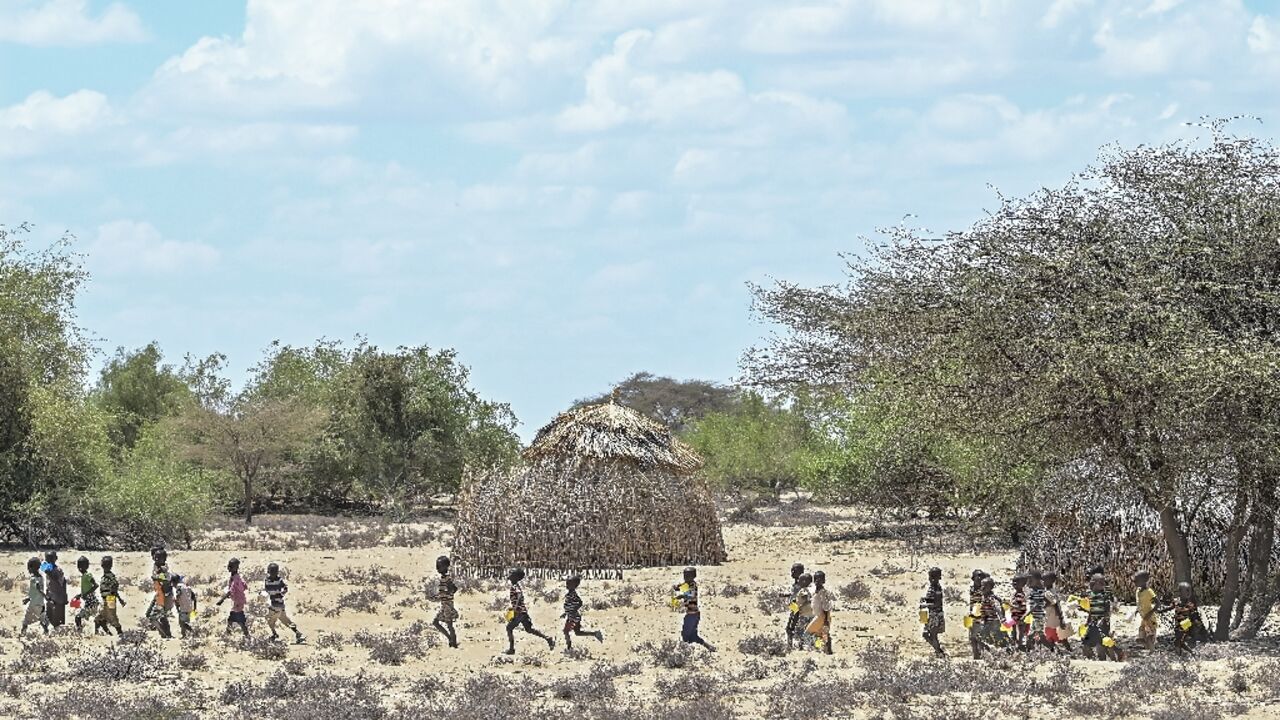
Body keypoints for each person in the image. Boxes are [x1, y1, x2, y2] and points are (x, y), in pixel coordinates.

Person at [504, 568, 554, 655]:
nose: (510, 577)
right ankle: (548, 638)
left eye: (512, 575)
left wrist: (515, 609)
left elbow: (519, 595)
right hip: (523, 611)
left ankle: (511, 649)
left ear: (515, 577)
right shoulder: (517, 586)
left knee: (509, 628)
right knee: (529, 629)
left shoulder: (514, 587)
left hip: (519, 612)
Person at [673, 566, 715, 652]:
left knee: (685, 635)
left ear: (692, 576)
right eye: (684, 575)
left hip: (692, 615)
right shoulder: (687, 584)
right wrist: (676, 587)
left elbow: (691, 595)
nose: (685, 578)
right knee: (693, 636)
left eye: (687, 576)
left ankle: (685, 652)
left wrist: (682, 596)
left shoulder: (693, 585)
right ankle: (709, 647)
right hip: (693, 614)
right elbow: (679, 587)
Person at [1081, 573, 1120, 661]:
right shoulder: (1091, 595)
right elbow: (1091, 610)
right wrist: (1088, 621)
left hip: (1103, 623)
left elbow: (1107, 609)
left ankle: (1113, 659)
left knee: (1102, 644)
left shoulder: (1104, 595)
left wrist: (1103, 619)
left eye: (1102, 583)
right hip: (1093, 623)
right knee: (1086, 643)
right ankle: (1091, 659)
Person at [561, 574, 604, 651]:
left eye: (569, 584)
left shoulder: (572, 594)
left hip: (573, 617)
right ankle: (595, 633)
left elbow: (580, 602)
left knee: (566, 631)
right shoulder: (570, 593)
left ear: (574, 585)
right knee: (577, 633)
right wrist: (566, 613)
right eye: (567, 583)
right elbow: (569, 605)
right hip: (572, 616)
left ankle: (569, 647)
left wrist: (573, 610)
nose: (566, 585)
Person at [264, 562, 305, 644]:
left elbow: (282, 588)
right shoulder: (274, 580)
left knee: (270, 620)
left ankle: (274, 634)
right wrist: (281, 592)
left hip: (275, 605)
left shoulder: (271, 580)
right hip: (280, 605)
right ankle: (298, 634)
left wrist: (281, 593)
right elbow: (283, 588)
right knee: (285, 620)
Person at [216, 557, 250, 638]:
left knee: (239, 618)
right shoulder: (236, 577)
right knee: (231, 618)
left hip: (238, 601)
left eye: (231, 566)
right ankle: (228, 633)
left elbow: (231, 591)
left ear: (236, 568)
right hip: (238, 600)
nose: (229, 567)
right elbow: (244, 586)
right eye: (229, 565)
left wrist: (221, 600)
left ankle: (246, 635)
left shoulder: (235, 579)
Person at [1170, 582, 1205, 656]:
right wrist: (1160, 611)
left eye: (1189, 590)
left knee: (1178, 640)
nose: (1189, 593)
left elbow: (1194, 615)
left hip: (1186, 624)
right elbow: (1170, 607)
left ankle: (1179, 654)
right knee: (1179, 641)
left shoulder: (1190, 605)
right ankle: (1191, 652)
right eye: (1186, 590)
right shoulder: (1176, 602)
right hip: (1178, 623)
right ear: (1180, 592)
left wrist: (1197, 623)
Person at [431, 555, 459, 648]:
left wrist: (447, 595)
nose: (437, 568)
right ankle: (450, 639)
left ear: (445, 567)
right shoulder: (444, 578)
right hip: (444, 604)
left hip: (447, 605)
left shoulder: (446, 578)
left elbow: (453, 589)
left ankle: (453, 642)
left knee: (449, 624)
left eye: (439, 566)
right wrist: (440, 595)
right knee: (436, 622)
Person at [147, 548, 174, 639]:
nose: (156, 559)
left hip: (164, 597)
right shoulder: (158, 567)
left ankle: (165, 635)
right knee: (161, 616)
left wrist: (157, 577)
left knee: (153, 617)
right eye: (155, 557)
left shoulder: (163, 570)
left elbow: (165, 579)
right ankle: (167, 634)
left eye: (159, 557)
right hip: (160, 595)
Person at [919, 567, 945, 657]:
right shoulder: (932, 587)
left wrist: (925, 605)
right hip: (930, 614)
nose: (932, 579)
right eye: (931, 576)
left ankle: (939, 653)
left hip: (936, 615)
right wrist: (925, 599)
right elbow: (932, 599)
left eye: (934, 577)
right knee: (926, 634)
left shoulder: (937, 588)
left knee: (933, 635)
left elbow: (937, 603)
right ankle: (939, 651)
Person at [1043, 571, 1071, 652]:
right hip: (1053, 618)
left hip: (1053, 620)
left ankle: (1061, 652)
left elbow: (1055, 605)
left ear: (1051, 581)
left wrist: (1061, 619)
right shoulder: (1053, 591)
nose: (1043, 582)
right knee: (1059, 638)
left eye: (1044, 580)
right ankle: (1067, 652)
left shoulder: (1048, 593)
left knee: (1053, 637)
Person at [97, 555, 125, 636]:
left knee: (112, 616)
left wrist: (119, 599)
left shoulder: (111, 577)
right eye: (104, 565)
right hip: (105, 598)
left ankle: (120, 632)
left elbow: (115, 587)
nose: (105, 567)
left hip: (110, 598)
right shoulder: (105, 576)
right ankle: (103, 632)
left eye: (107, 565)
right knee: (100, 615)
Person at [72, 556, 100, 633]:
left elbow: (96, 585)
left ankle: (80, 631)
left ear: (87, 566)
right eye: (79, 565)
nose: (80, 568)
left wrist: (86, 594)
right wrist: (80, 595)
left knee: (79, 617)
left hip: (91, 601)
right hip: (89, 601)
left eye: (81, 566)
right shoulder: (84, 576)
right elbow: (87, 589)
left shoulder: (87, 575)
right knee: (90, 616)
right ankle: (94, 631)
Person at [21, 557, 49, 635]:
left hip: (34, 604)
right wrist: (28, 598)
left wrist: (44, 595)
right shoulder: (41, 577)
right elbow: (34, 592)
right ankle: (46, 632)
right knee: (41, 619)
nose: (28, 570)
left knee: (25, 621)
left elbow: (38, 589)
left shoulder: (34, 579)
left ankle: (22, 634)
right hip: (41, 604)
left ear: (32, 568)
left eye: (29, 568)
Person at [808, 570, 833, 655]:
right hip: (818, 615)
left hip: (821, 616)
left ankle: (825, 647)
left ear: (823, 581)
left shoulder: (823, 592)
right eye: (816, 579)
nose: (817, 581)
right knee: (819, 634)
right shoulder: (816, 591)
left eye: (820, 579)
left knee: (808, 633)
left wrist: (826, 621)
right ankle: (821, 649)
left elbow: (826, 607)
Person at [788, 573, 815, 651]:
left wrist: (792, 604)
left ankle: (801, 645)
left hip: (804, 615)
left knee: (800, 630)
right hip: (813, 615)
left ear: (804, 582)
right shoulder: (814, 589)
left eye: (800, 580)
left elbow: (799, 602)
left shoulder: (803, 591)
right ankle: (815, 645)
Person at [1133, 570, 1158, 651]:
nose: (1134, 581)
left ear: (1144, 581)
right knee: (1140, 638)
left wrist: (1149, 614)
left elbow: (1158, 604)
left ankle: (1152, 652)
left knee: (1149, 637)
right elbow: (1140, 603)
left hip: (1150, 619)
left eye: (1136, 580)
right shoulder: (1138, 591)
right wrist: (1137, 611)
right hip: (1144, 619)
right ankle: (1150, 649)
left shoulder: (1149, 591)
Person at [966, 569, 988, 658]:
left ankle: (982, 655)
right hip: (972, 615)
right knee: (972, 637)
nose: (979, 578)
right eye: (977, 576)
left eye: (981, 576)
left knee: (980, 636)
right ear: (973, 578)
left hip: (981, 615)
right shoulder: (972, 589)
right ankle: (975, 655)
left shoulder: (984, 589)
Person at [43, 551, 68, 628]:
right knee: (48, 616)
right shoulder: (47, 568)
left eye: (51, 559)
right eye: (47, 559)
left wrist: (65, 597)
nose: (49, 561)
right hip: (50, 595)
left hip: (58, 597)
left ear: (56, 559)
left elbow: (61, 582)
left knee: (57, 618)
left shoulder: (57, 570)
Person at [783, 562, 805, 645]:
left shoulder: (800, 584)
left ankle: (790, 645)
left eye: (794, 571)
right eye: (792, 570)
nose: (792, 572)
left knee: (790, 628)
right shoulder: (797, 584)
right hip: (794, 608)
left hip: (797, 609)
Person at [1026, 570, 1047, 649]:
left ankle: (1030, 648)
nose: (1029, 582)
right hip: (1036, 616)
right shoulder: (1033, 590)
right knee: (1037, 633)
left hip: (1038, 616)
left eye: (1031, 580)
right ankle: (1034, 647)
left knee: (1033, 634)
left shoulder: (1039, 591)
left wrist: (1026, 614)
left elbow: (1036, 604)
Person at [174, 574, 198, 638]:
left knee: (181, 623)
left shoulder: (179, 587)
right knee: (185, 621)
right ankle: (184, 635)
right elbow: (194, 598)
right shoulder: (188, 588)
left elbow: (178, 595)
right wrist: (195, 608)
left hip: (183, 608)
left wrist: (176, 603)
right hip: (189, 608)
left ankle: (193, 631)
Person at [1009, 574, 1029, 649]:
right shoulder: (1014, 594)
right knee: (1013, 629)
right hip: (1014, 616)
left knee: (1020, 631)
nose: (1014, 584)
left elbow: (1021, 606)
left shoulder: (1021, 594)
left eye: (1017, 582)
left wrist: (1011, 605)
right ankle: (1015, 643)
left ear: (1023, 584)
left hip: (1020, 616)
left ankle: (1020, 644)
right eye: (1013, 582)